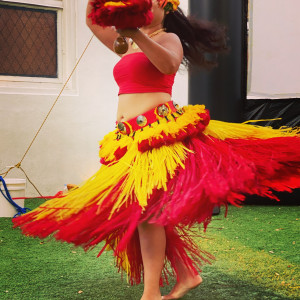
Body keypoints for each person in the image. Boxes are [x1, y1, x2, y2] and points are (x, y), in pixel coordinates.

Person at [13, 1, 300, 300]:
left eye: (149, 4)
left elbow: (169, 65)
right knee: (144, 213)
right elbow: (91, 20)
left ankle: (151, 293)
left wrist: (137, 34)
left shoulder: (166, 38)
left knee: (147, 214)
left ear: (167, 9)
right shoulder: (126, 42)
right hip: (130, 140)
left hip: (159, 137)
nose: (144, 9)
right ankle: (187, 274)